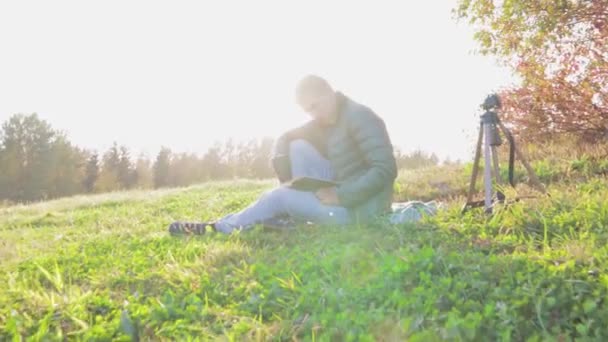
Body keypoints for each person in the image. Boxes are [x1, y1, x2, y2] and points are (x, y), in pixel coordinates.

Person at [169, 75, 397, 235]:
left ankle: (218, 227)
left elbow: (386, 169)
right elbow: (288, 136)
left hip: (361, 211)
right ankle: (289, 212)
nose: (312, 115)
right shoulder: (332, 116)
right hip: (345, 187)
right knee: (297, 147)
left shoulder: (361, 117)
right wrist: (281, 157)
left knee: (280, 196)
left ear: (329, 94)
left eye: (314, 107)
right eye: (307, 110)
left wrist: (341, 196)